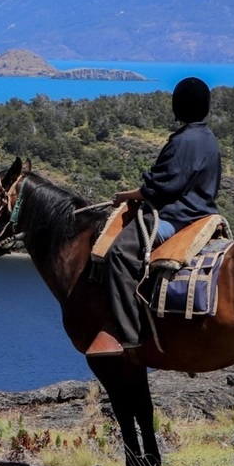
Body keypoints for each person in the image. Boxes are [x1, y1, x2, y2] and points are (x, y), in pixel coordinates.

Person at [90, 77, 221, 357]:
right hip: (203, 214)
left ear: (179, 107)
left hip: (177, 218)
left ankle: (128, 335)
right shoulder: (208, 137)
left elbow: (160, 189)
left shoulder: (183, 141)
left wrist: (126, 196)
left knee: (119, 254)